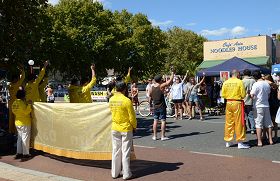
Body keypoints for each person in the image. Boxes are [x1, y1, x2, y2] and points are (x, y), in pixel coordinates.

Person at [109, 81, 137, 180]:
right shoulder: (127, 100)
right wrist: (134, 126)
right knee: (125, 152)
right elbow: (132, 117)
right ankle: (126, 173)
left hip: (115, 127)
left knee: (115, 150)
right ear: (124, 89)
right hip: (126, 128)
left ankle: (114, 173)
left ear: (116, 89)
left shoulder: (111, 99)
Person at [221, 69, 249, 149]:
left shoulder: (226, 82)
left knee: (229, 122)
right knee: (239, 122)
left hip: (229, 103)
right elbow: (243, 94)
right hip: (237, 103)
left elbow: (223, 95)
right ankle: (240, 142)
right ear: (237, 74)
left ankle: (228, 141)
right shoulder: (239, 82)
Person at [149, 69, 174, 141]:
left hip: (155, 105)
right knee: (163, 120)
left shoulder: (151, 87)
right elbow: (169, 82)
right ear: (160, 80)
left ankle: (154, 136)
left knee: (155, 120)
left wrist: (150, 105)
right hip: (161, 106)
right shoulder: (161, 86)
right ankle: (162, 136)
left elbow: (150, 96)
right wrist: (172, 73)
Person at [251, 71, 274, 146]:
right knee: (268, 123)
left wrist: (250, 95)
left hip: (258, 105)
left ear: (254, 77)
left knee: (258, 124)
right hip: (266, 105)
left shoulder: (256, 84)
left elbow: (252, 95)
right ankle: (270, 140)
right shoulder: (266, 84)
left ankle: (259, 141)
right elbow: (268, 94)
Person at [12, 89, 32, 159]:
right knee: (25, 138)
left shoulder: (14, 102)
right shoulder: (22, 103)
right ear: (23, 96)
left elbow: (14, 111)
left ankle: (19, 152)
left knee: (19, 138)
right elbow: (26, 112)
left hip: (17, 122)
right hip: (25, 122)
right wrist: (29, 105)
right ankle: (26, 153)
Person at [8, 66, 25, 134]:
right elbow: (23, 77)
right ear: (15, 79)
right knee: (16, 116)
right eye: (17, 79)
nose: (18, 80)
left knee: (11, 117)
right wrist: (22, 70)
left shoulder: (10, 85)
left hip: (10, 103)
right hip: (15, 103)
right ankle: (15, 131)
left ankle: (10, 130)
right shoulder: (16, 84)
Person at [242, 69, 256, 134]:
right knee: (251, 115)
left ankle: (244, 128)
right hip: (251, 100)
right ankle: (252, 128)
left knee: (243, 116)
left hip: (243, 100)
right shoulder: (253, 80)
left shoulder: (242, 81)